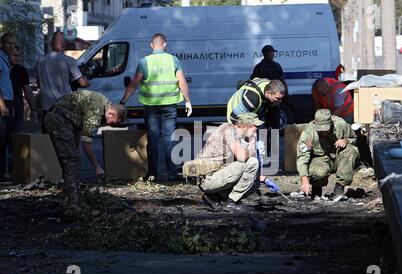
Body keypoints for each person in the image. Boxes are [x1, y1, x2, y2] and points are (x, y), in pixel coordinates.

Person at [119, 33, 192, 183]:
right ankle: (172, 173)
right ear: (165, 45)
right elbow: (182, 82)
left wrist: (123, 102)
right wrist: (188, 101)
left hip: (151, 106)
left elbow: (134, 84)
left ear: (151, 45)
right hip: (170, 105)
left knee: (153, 140)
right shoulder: (173, 60)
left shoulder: (144, 62)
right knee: (168, 139)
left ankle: (153, 174)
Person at [44, 90, 126, 217]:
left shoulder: (103, 103)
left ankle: (72, 200)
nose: (111, 125)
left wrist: (75, 148)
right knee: (71, 162)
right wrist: (97, 167)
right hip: (59, 120)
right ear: (111, 113)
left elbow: (78, 125)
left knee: (71, 161)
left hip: (62, 119)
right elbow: (86, 141)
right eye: (113, 122)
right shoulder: (97, 110)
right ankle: (72, 206)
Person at [192, 113, 279, 212]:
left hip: (216, 176)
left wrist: (265, 179)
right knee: (253, 162)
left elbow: (243, 169)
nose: (257, 130)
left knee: (255, 183)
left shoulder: (237, 135)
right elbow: (242, 157)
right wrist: (252, 143)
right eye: (255, 127)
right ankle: (231, 202)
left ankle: (214, 197)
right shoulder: (228, 130)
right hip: (209, 179)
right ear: (244, 126)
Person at [297, 109, 359, 199]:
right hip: (320, 160)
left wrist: (345, 140)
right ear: (315, 123)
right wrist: (305, 181)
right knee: (318, 172)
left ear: (331, 123)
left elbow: (354, 138)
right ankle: (316, 189)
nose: (323, 132)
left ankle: (339, 189)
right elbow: (302, 157)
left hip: (339, 157)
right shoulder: (308, 133)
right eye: (320, 130)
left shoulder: (341, 124)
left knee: (351, 150)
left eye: (326, 128)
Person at [35, 31, 90, 134]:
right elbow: (83, 83)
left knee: (47, 141)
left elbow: (38, 83)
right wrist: (88, 81)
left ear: (51, 44)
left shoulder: (40, 60)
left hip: (47, 108)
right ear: (64, 45)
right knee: (65, 140)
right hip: (64, 108)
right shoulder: (69, 61)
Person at [9, 46, 35, 133]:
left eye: (19, 56)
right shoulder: (3, 68)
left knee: (17, 134)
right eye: (14, 55)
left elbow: (27, 90)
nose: (17, 58)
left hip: (17, 104)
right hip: (5, 103)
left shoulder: (22, 70)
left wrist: (33, 109)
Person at [0, 33, 15, 182]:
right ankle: (2, 173)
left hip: (8, 102)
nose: (11, 46)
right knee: (2, 139)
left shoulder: (6, 59)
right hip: (3, 103)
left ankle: (5, 171)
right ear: (2, 44)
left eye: (13, 43)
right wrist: (2, 103)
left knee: (7, 138)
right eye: (8, 43)